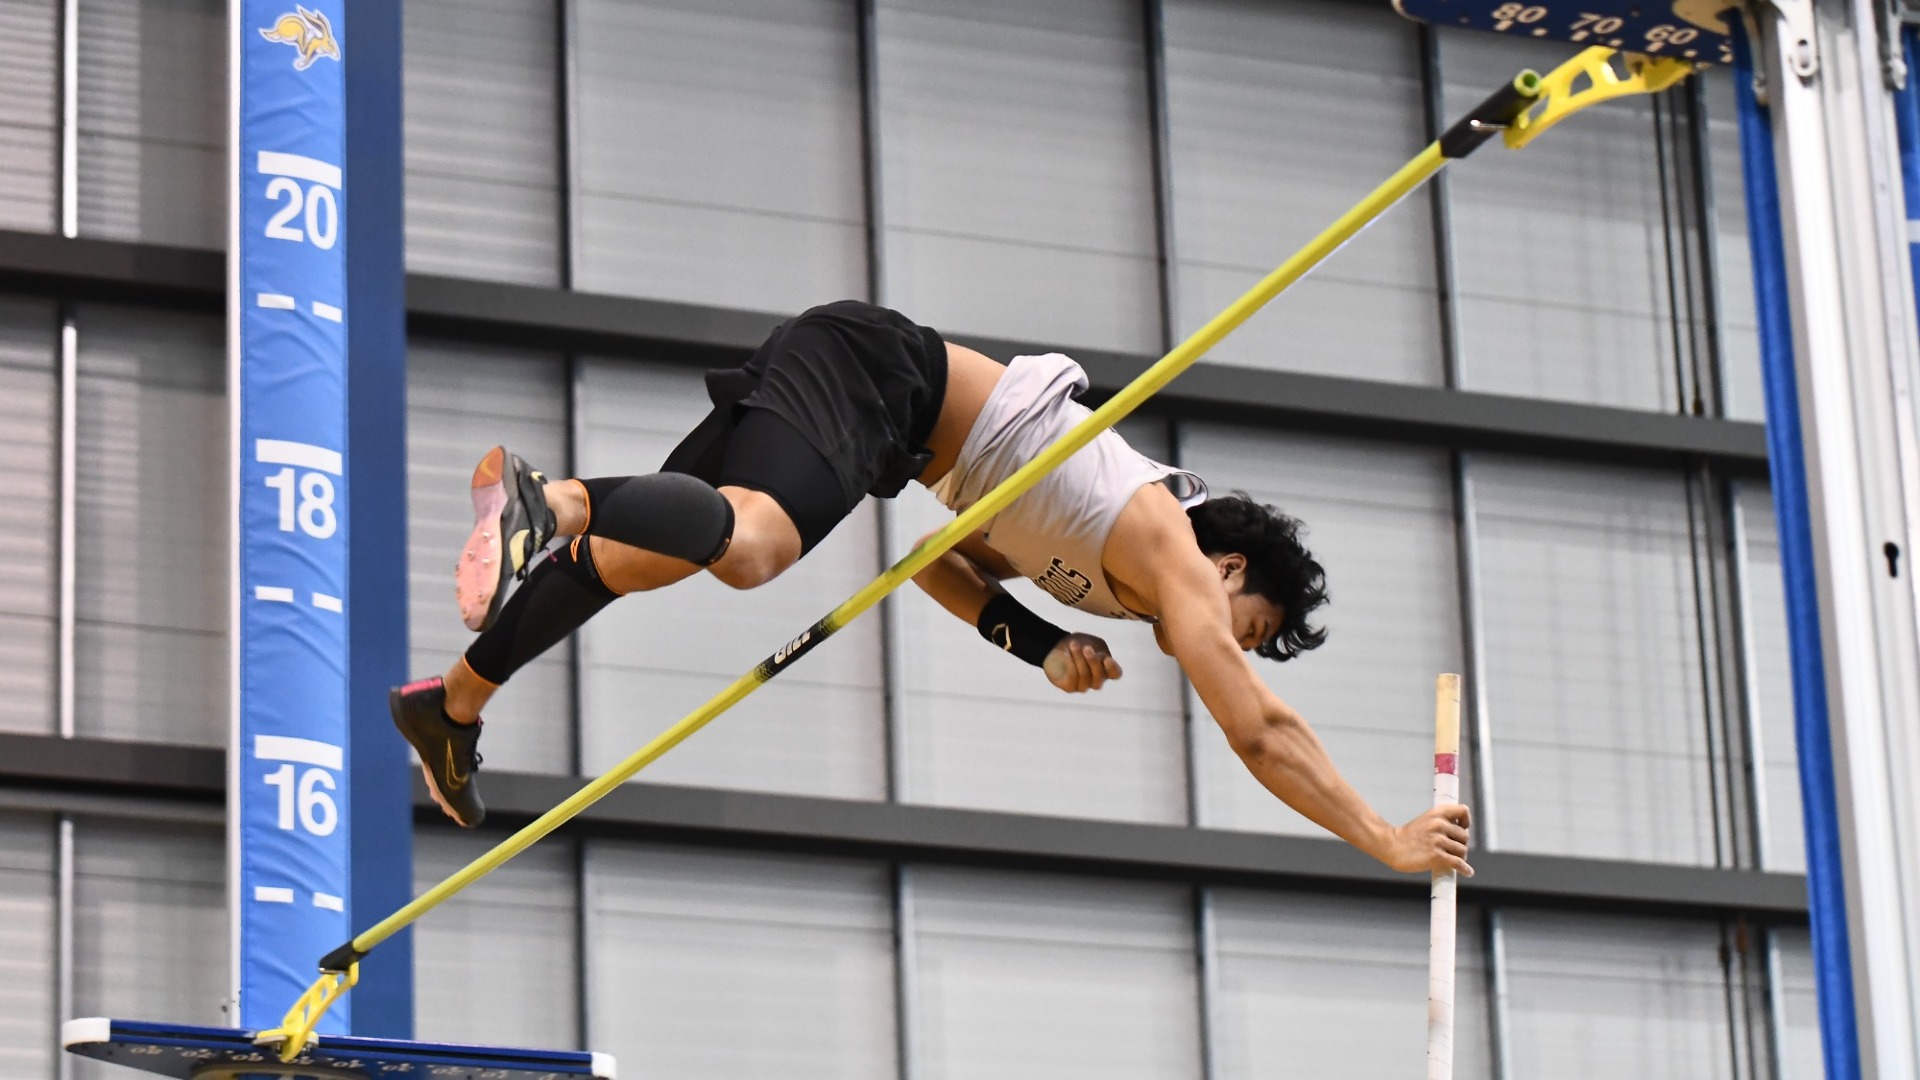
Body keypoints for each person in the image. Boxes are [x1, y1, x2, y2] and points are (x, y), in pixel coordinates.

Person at [390, 300, 1473, 880]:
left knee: (647, 559)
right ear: (1231, 571)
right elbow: (1260, 733)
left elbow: (942, 570)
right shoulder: (1172, 554)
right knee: (753, 549)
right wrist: (1384, 836)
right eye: (1250, 627)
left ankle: (454, 707)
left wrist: (1041, 645)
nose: (1225, 644)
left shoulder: (1109, 578)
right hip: (879, 379)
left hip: (877, 418)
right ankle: (553, 501)